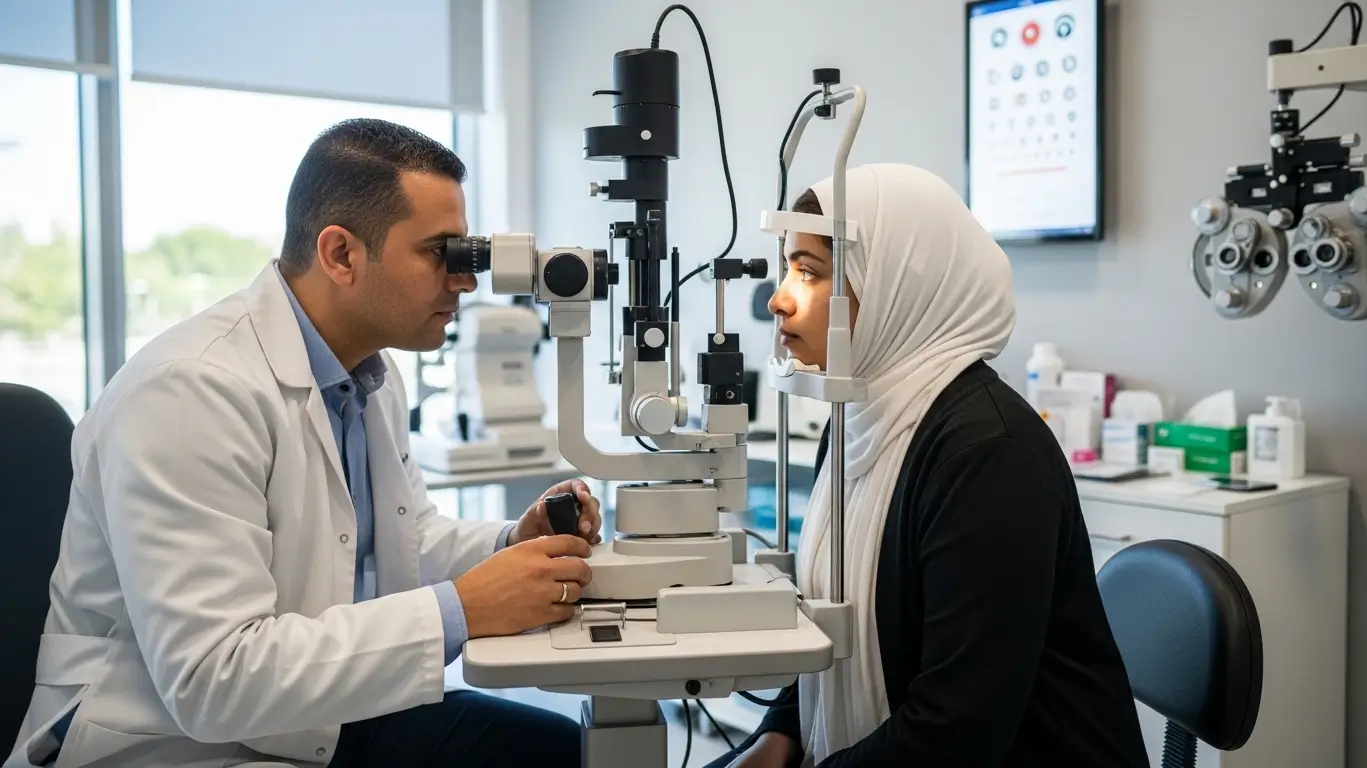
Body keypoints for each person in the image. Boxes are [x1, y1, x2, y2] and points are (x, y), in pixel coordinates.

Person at [6, 118, 604, 768]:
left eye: (467, 254)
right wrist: (461, 611)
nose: (465, 281)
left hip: (310, 717)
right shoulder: (189, 392)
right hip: (171, 744)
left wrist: (510, 544)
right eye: (441, 252)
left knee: (568, 753)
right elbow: (213, 680)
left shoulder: (371, 375)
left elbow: (399, 543)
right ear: (341, 254)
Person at [710, 164, 1149, 768]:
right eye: (788, 267)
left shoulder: (990, 456)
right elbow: (828, 629)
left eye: (809, 272)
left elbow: (956, 730)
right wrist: (778, 734)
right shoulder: (857, 420)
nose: (780, 299)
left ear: (893, 285)